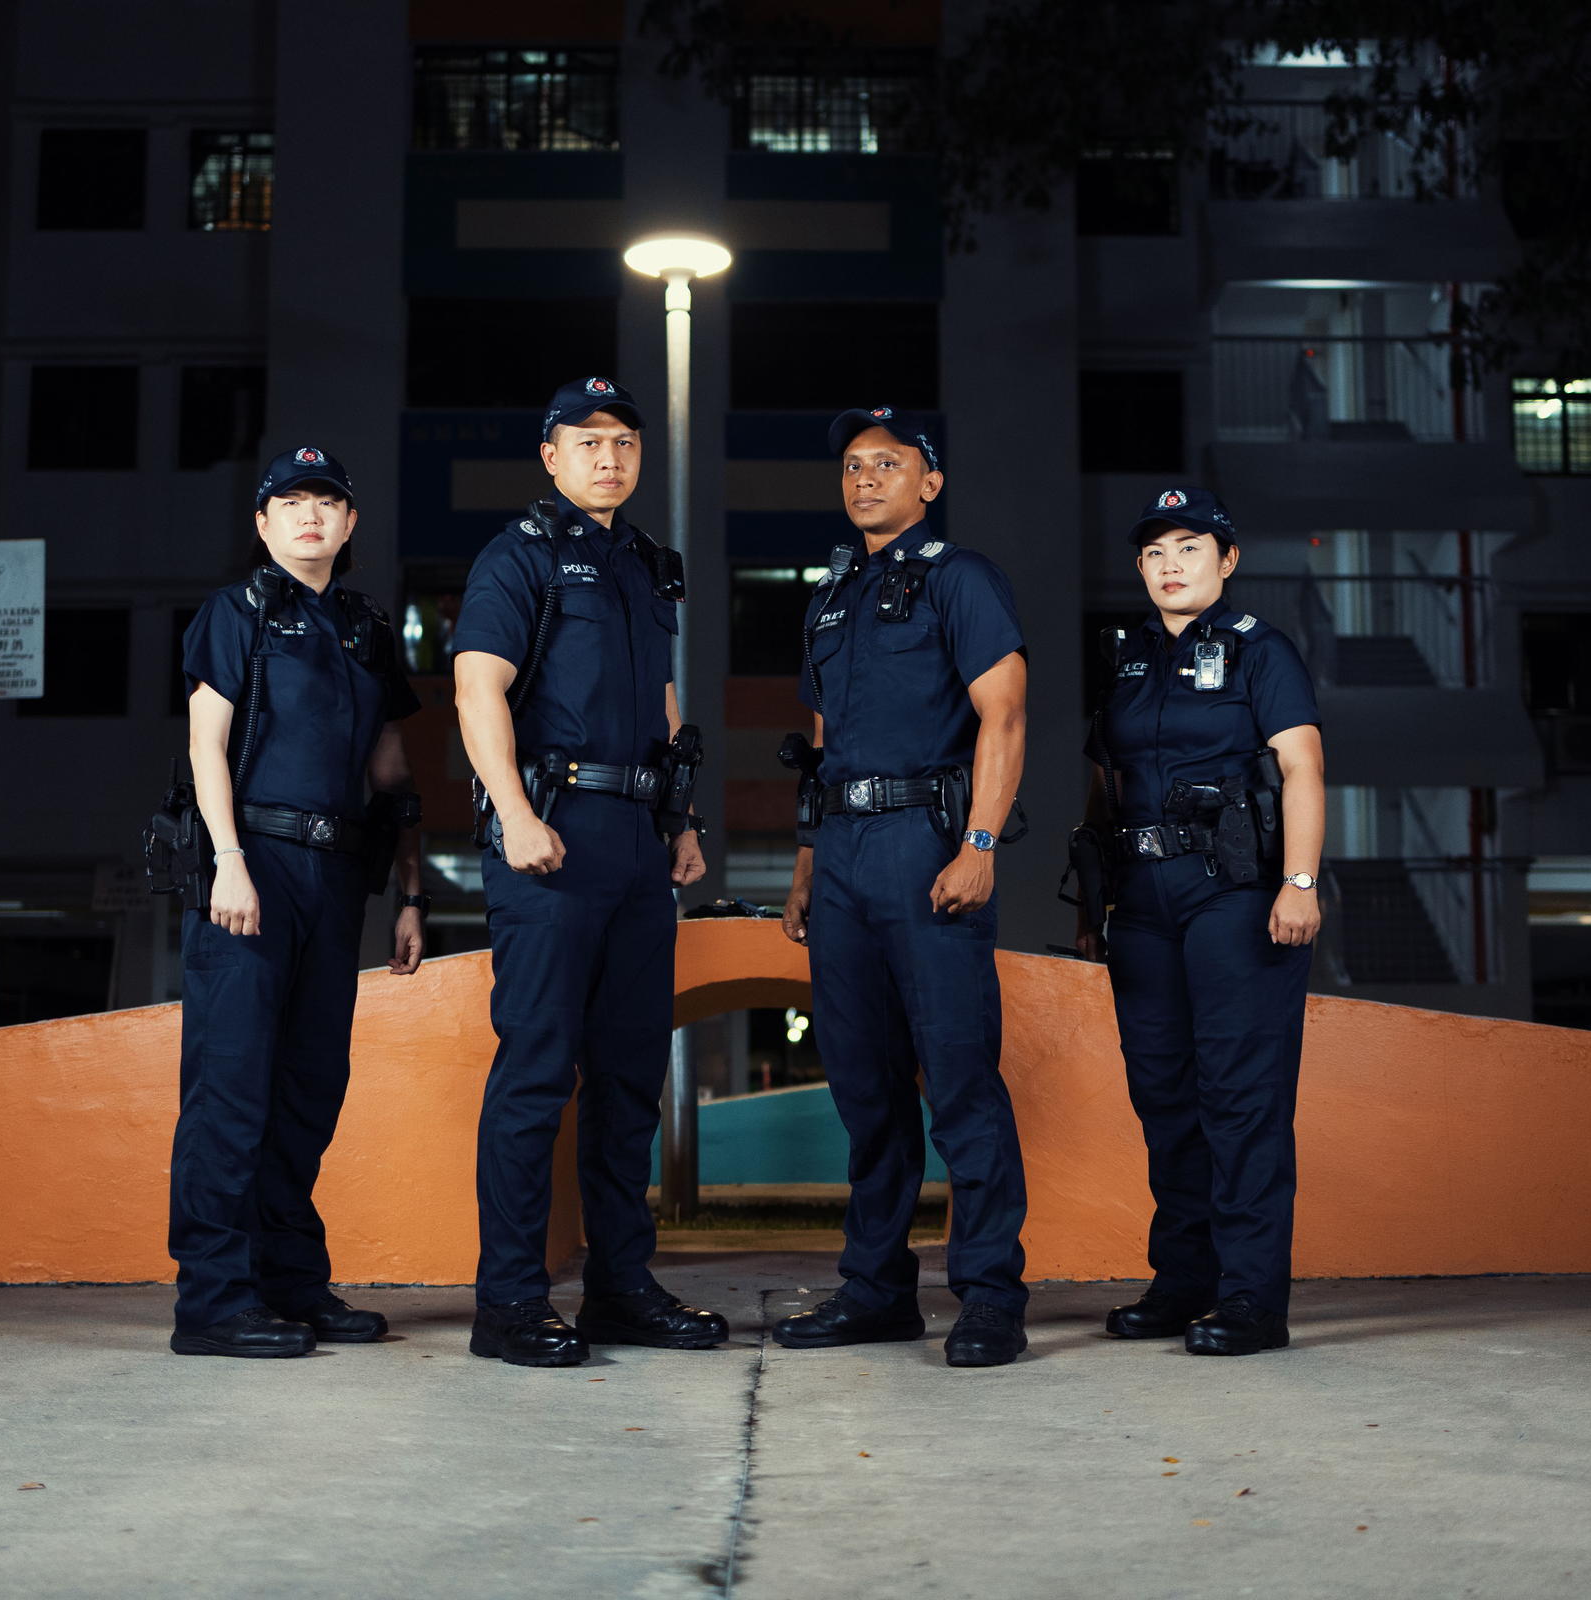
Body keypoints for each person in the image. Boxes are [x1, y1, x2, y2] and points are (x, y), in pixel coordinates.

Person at [452, 377, 724, 1368]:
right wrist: (514, 812)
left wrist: (679, 819)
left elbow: (657, 701)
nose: (608, 456)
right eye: (586, 440)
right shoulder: (515, 555)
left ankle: (617, 1287)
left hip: (635, 842)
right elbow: (476, 685)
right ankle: (510, 1302)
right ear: (550, 454)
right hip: (550, 835)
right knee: (534, 1072)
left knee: (626, 1076)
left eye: (622, 441)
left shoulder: (644, 565)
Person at [776, 407, 1031, 1368]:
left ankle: (990, 1294)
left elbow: (1002, 717)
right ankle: (877, 1290)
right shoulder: (833, 592)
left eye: (888, 463)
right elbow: (826, 742)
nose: (865, 478)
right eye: (851, 465)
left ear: (930, 482)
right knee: (863, 1087)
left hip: (927, 844)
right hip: (842, 852)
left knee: (960, 1077)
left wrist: (981, 841)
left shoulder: (961, 579)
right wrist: (806, 863)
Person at [168, 445, 427, 1358]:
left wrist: (408, 893)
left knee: (311, 1088)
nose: (310, 515)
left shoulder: (365, 628)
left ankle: (290, 1284)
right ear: (264, 522)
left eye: (328, 502)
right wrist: (228, 860)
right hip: (255, 870)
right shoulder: (232, 615)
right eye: (291, 502)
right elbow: (209, 746)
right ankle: (212, 1302)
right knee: (231, 1091)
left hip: (336, 876)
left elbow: (391, 771)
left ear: (350, 524)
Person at [1072, 485, 1324, 1357]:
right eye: (1154, 553)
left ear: (1227, 560)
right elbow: (1105, 780)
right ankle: (1185, 1283)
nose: (1170, 565)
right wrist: (1094, 896)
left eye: (1189, 548)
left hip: (1234, 890)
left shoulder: (1263, 652)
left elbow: (1301, 770)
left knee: (1239, 1098)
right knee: (1165, 1097)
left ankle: (1253, 1299)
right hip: (1140, 902)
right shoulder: (1126, 658)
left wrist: (1299, 881)